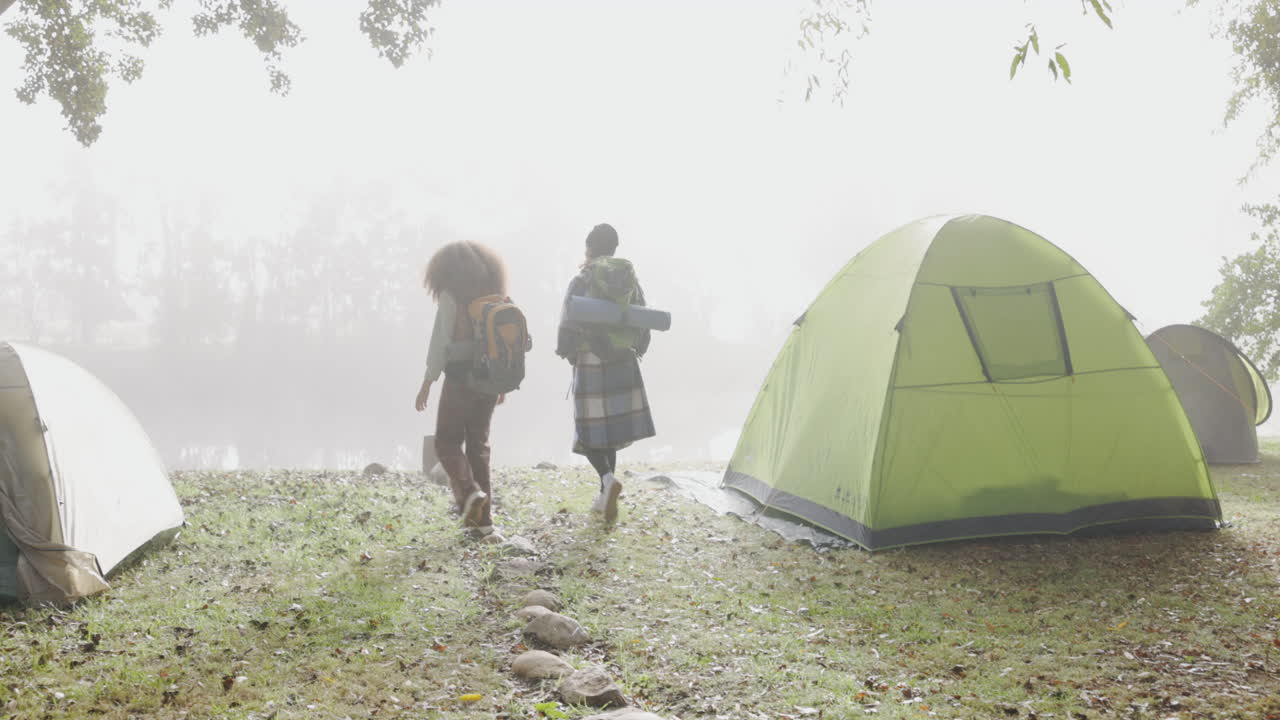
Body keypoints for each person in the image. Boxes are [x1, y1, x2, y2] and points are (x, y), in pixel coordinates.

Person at [555, 223, 657, 524]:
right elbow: (642, 315)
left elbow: (567, 317)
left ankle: (608, 480)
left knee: (588, 431)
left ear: (589, 247)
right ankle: (604, 495)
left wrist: (567, 351)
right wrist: (636, 348)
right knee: (610, 431)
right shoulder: (629, 279)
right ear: (614, 248)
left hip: (591, 358)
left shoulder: (584, 277)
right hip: (623, 358)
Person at [414, 241, 508, 540]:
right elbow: (505, 342)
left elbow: (440, 341)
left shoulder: (450, 296)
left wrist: (428, 381)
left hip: (459, 378)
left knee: (446, 443)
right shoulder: (495, 294)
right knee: (479, 448)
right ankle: (483, 523)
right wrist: (502, 382)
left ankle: (471, 494)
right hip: (490, 378)